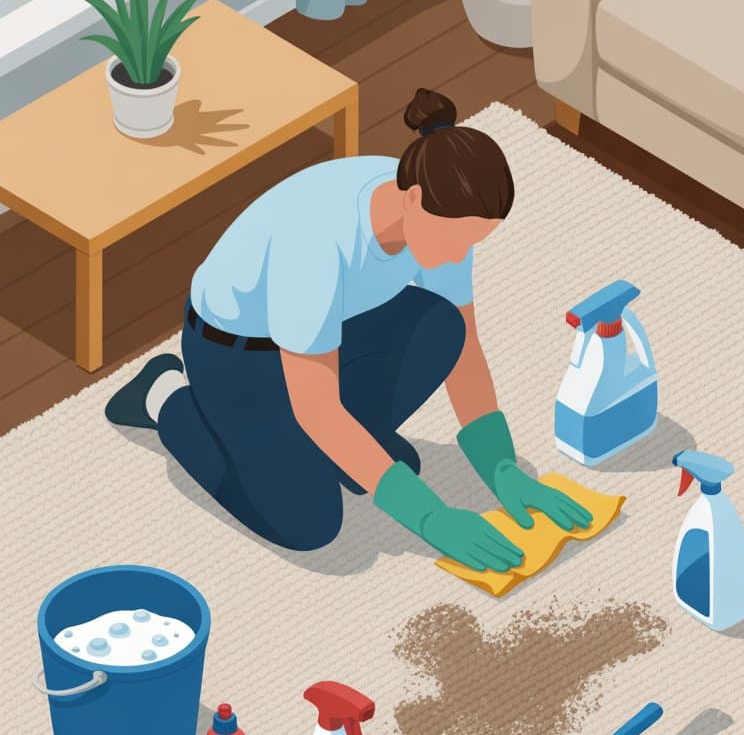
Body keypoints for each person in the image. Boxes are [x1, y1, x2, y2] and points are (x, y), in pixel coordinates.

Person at [105, 88, 592, 570]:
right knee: (309, 524)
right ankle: (165, 396)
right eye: (457, 240)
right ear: (415, 199)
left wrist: (500, 465)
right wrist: (429, 517)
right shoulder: (318, 241)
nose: (458, 255)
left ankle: (340, 451)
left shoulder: (438, 213)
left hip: (330, 331)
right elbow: (315, 407)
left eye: (473, 242)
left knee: (443, 327)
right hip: (237, 354)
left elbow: (465, 350)